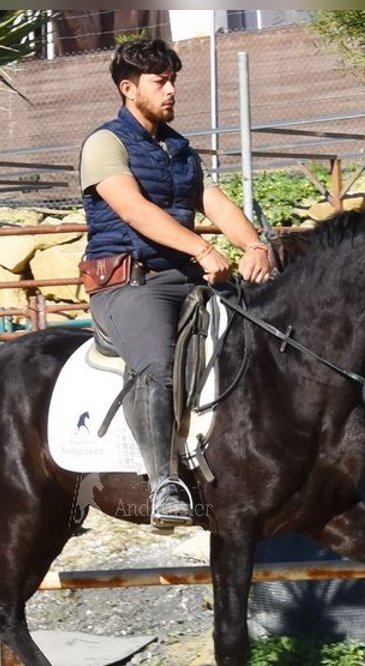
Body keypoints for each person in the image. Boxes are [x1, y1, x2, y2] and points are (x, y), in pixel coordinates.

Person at [79, 38, 273, 528]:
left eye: (173, 80)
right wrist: (203, 249)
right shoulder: (106, 144)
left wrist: (254, 246)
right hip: (131, 285)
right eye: (159, 82)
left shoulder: (180, 149)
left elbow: (215, 201)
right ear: (128, 88)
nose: (171, 90)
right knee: (156, 367)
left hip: (186, 281)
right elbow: (133, 209)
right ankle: (164, 483)